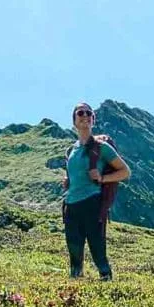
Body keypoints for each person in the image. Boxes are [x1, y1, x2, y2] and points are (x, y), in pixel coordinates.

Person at [62, 102, 131, 280]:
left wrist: (102, 179)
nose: (84, 115)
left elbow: (125, 172)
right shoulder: (71, 150)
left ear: (93, 120)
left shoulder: (101, 147)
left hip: (92, 202)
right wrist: (68, 181)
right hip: (70, 205)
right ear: (74, 121)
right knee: (74, 248)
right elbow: (74, 175)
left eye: (88, 113)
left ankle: (106, 279)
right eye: (80, 113)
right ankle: (75, 282)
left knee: (97, 247)